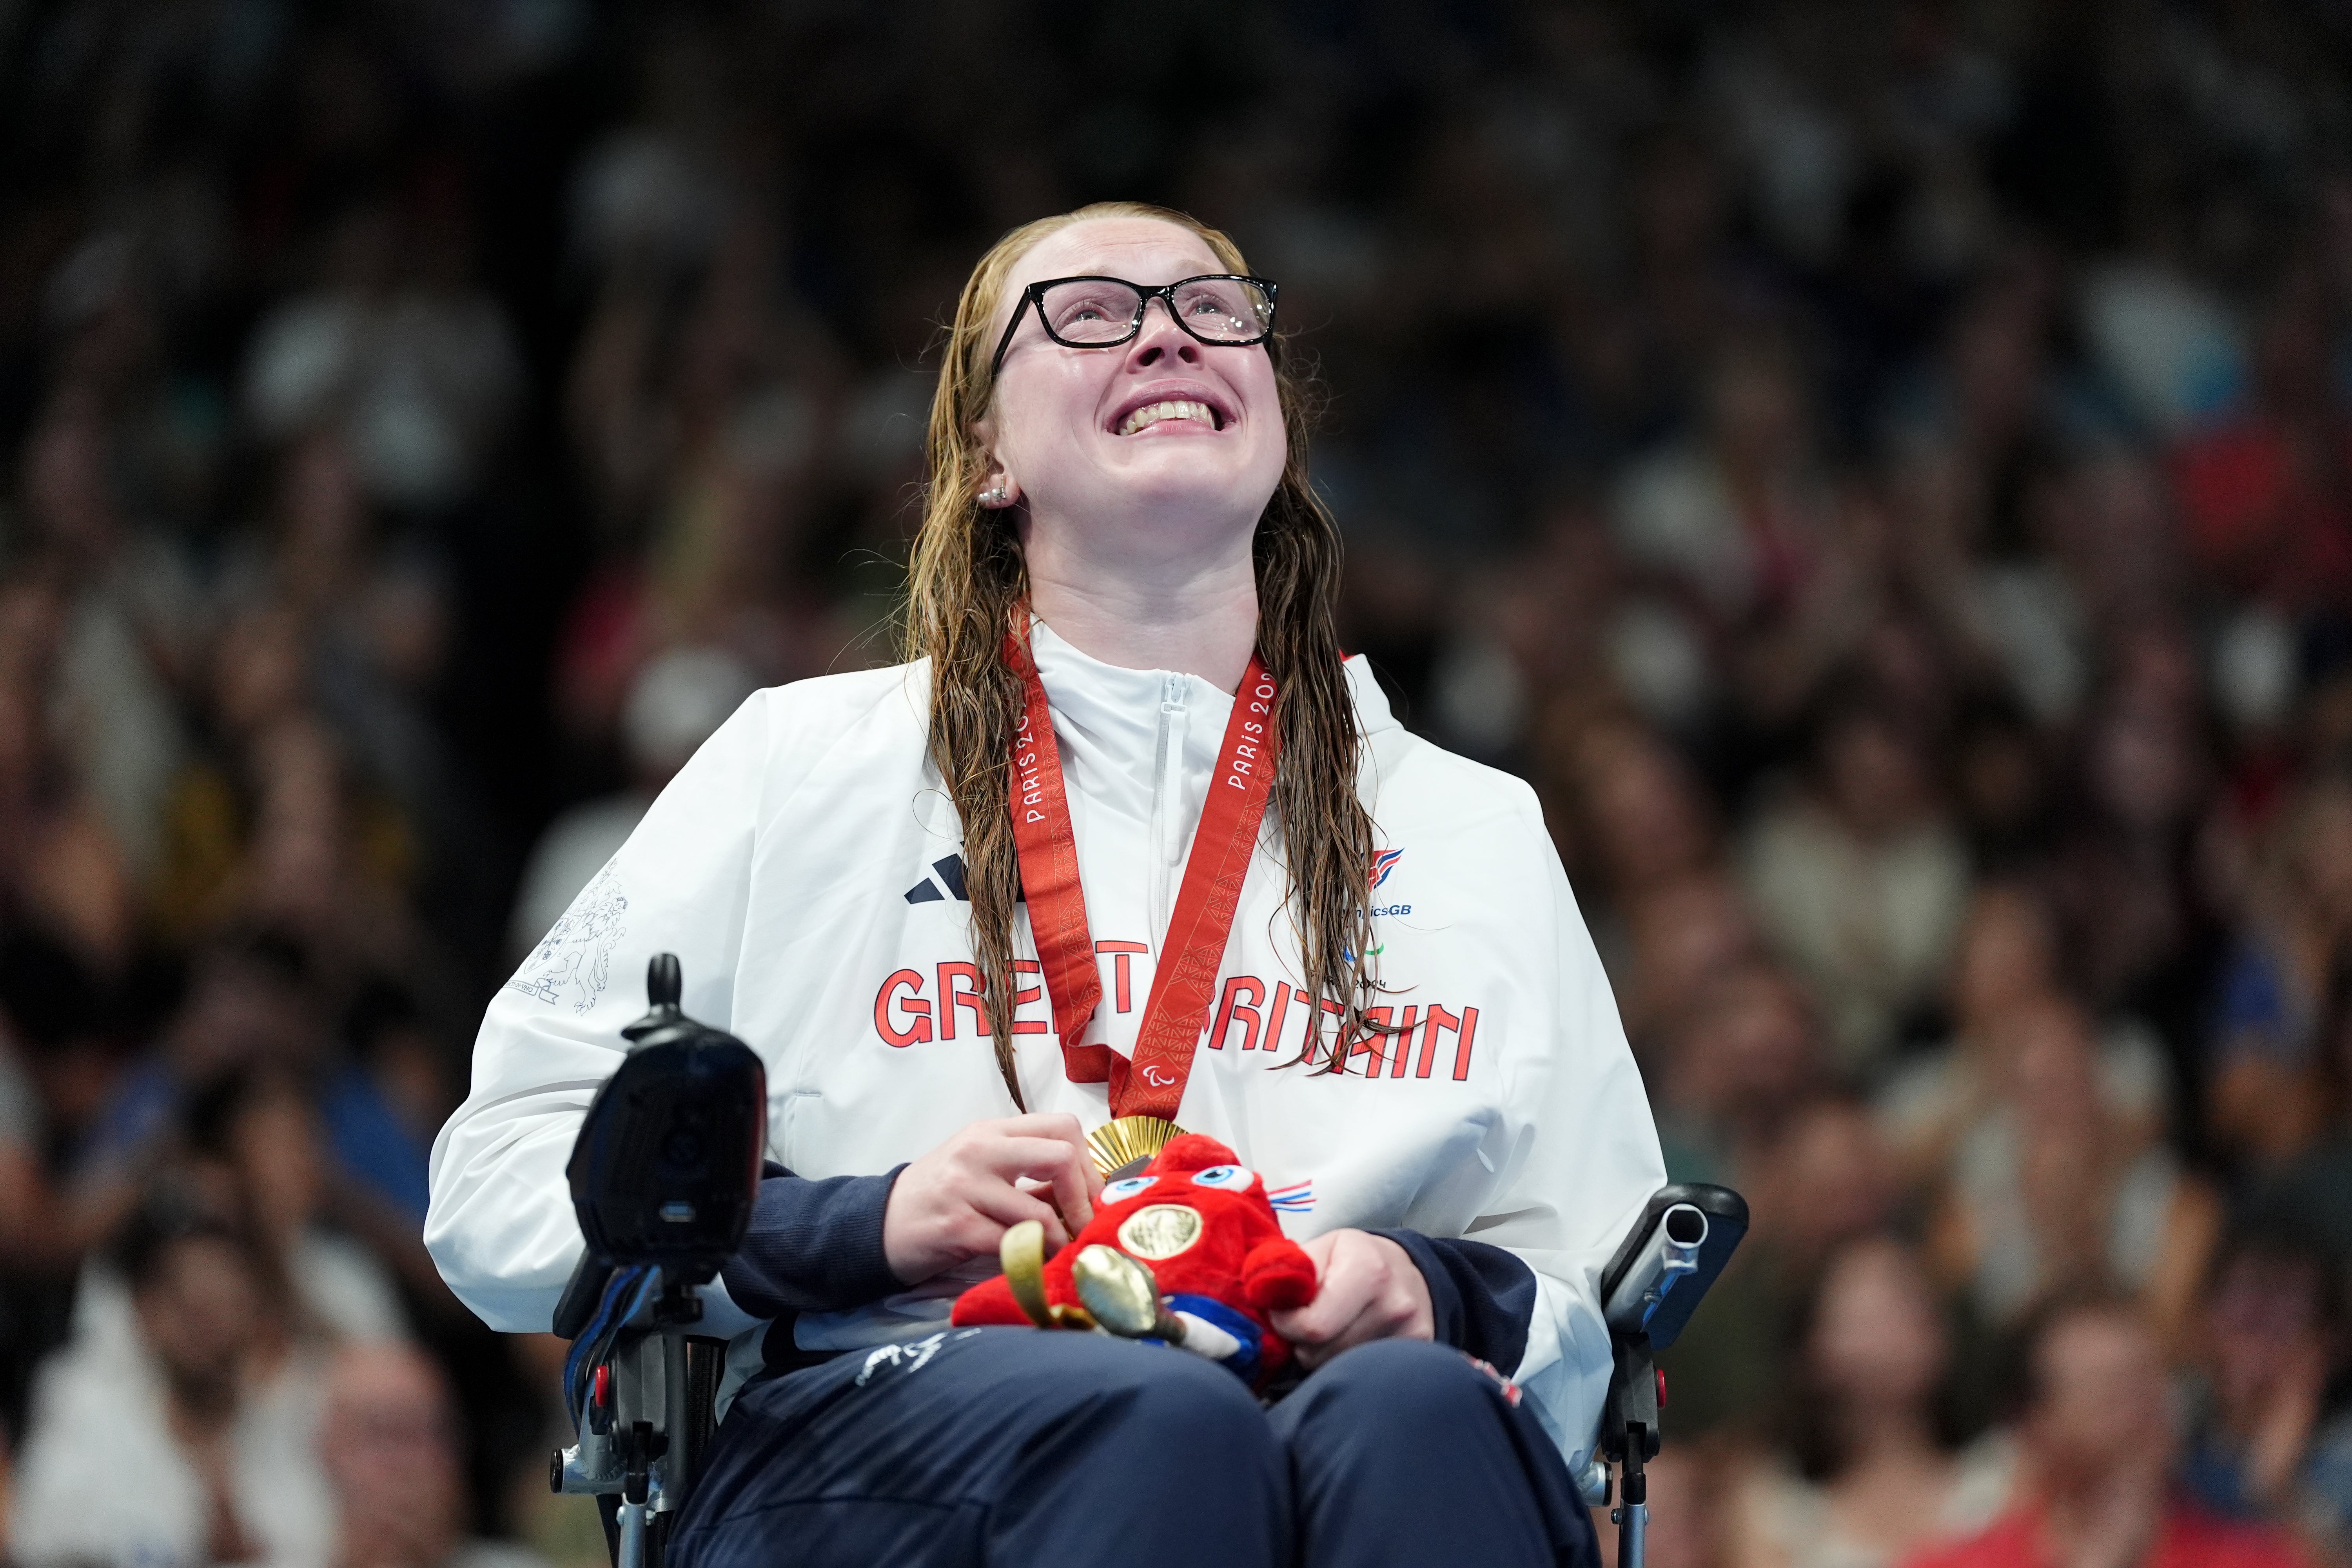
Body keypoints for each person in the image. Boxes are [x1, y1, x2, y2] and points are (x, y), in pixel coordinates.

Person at [426, 202, 1666, 1567]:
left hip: (1328, 1408)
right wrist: (860, 1226)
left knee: (1422, 1419)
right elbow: (499, 1182)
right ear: (987, 455)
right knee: (1160, 1420)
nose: (1163, 335)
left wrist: (1429, 1290)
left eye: (1212, 310)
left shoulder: (1471, 826)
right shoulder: (804, 766)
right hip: (883, 1411)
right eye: (1088, 314)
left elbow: (1606, 1308)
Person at [1903, 1299, 2307, 1568]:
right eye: (2113, 1391)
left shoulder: (2248, 1556)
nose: (2145, 1411)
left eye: (2152, 1381)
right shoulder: (1959, 1562)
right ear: (2032, 1426)